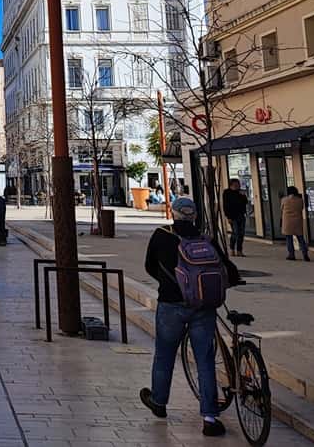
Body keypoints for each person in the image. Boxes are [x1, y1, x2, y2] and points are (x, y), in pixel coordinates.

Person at [139, 197, 240, 438]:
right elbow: (228, 270)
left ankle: (159, 402)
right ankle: (209, 416)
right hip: (203, 307)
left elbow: (149, 266)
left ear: (173, 213)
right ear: (194, 215)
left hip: (171, 304)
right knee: (205, 359)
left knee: (164, 354)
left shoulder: (161, 235)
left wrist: (170, 283)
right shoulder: (205, 239)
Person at [281, 186, 309, 261]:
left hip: (287, 222)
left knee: (289, 239)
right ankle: (305, 254)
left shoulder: (284, 200)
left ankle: (291, 255)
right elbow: (302, 208)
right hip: (297, 221)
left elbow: (282, 208)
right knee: (301, 238)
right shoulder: (300, 200)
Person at [222, 179, 248, 256]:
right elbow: (225, 205)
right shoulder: (227, 193)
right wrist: (228, 217)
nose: (238, 185)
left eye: (238, 184)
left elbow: (245, 202)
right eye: (236, 184)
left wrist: (243, 195)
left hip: (241, 215)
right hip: (232, 216)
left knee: (241, 233)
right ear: (231, 185)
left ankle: (239, 250)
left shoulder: (240, 192)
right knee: (235, 232)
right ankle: (232, 249)